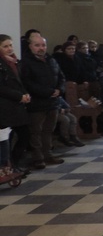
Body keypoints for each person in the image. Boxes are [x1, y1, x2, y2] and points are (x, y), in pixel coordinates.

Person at [20, 35, 66, 169]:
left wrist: (59, 89)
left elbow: (61, 77)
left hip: (53, 103)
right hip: (37, 104)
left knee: (48, 130)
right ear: (30, 46)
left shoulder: (52, 60)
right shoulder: (26, 63)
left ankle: (48, 154)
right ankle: (38, 158)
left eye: (43, 45)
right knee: (36, 132)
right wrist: (47, 92)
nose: (41, 48)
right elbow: (27, 83)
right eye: (37, 45)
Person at [0, 34, 31, 172]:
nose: (9, 48)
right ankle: (9, 166)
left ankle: (14, 163)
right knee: (7, 138)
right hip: (5, 106)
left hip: (17, 105)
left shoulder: (13, 62)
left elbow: (19, 81)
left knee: (24, 135)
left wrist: (25, 94)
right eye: (5, 46)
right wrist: (19, 96)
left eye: (10, 45)